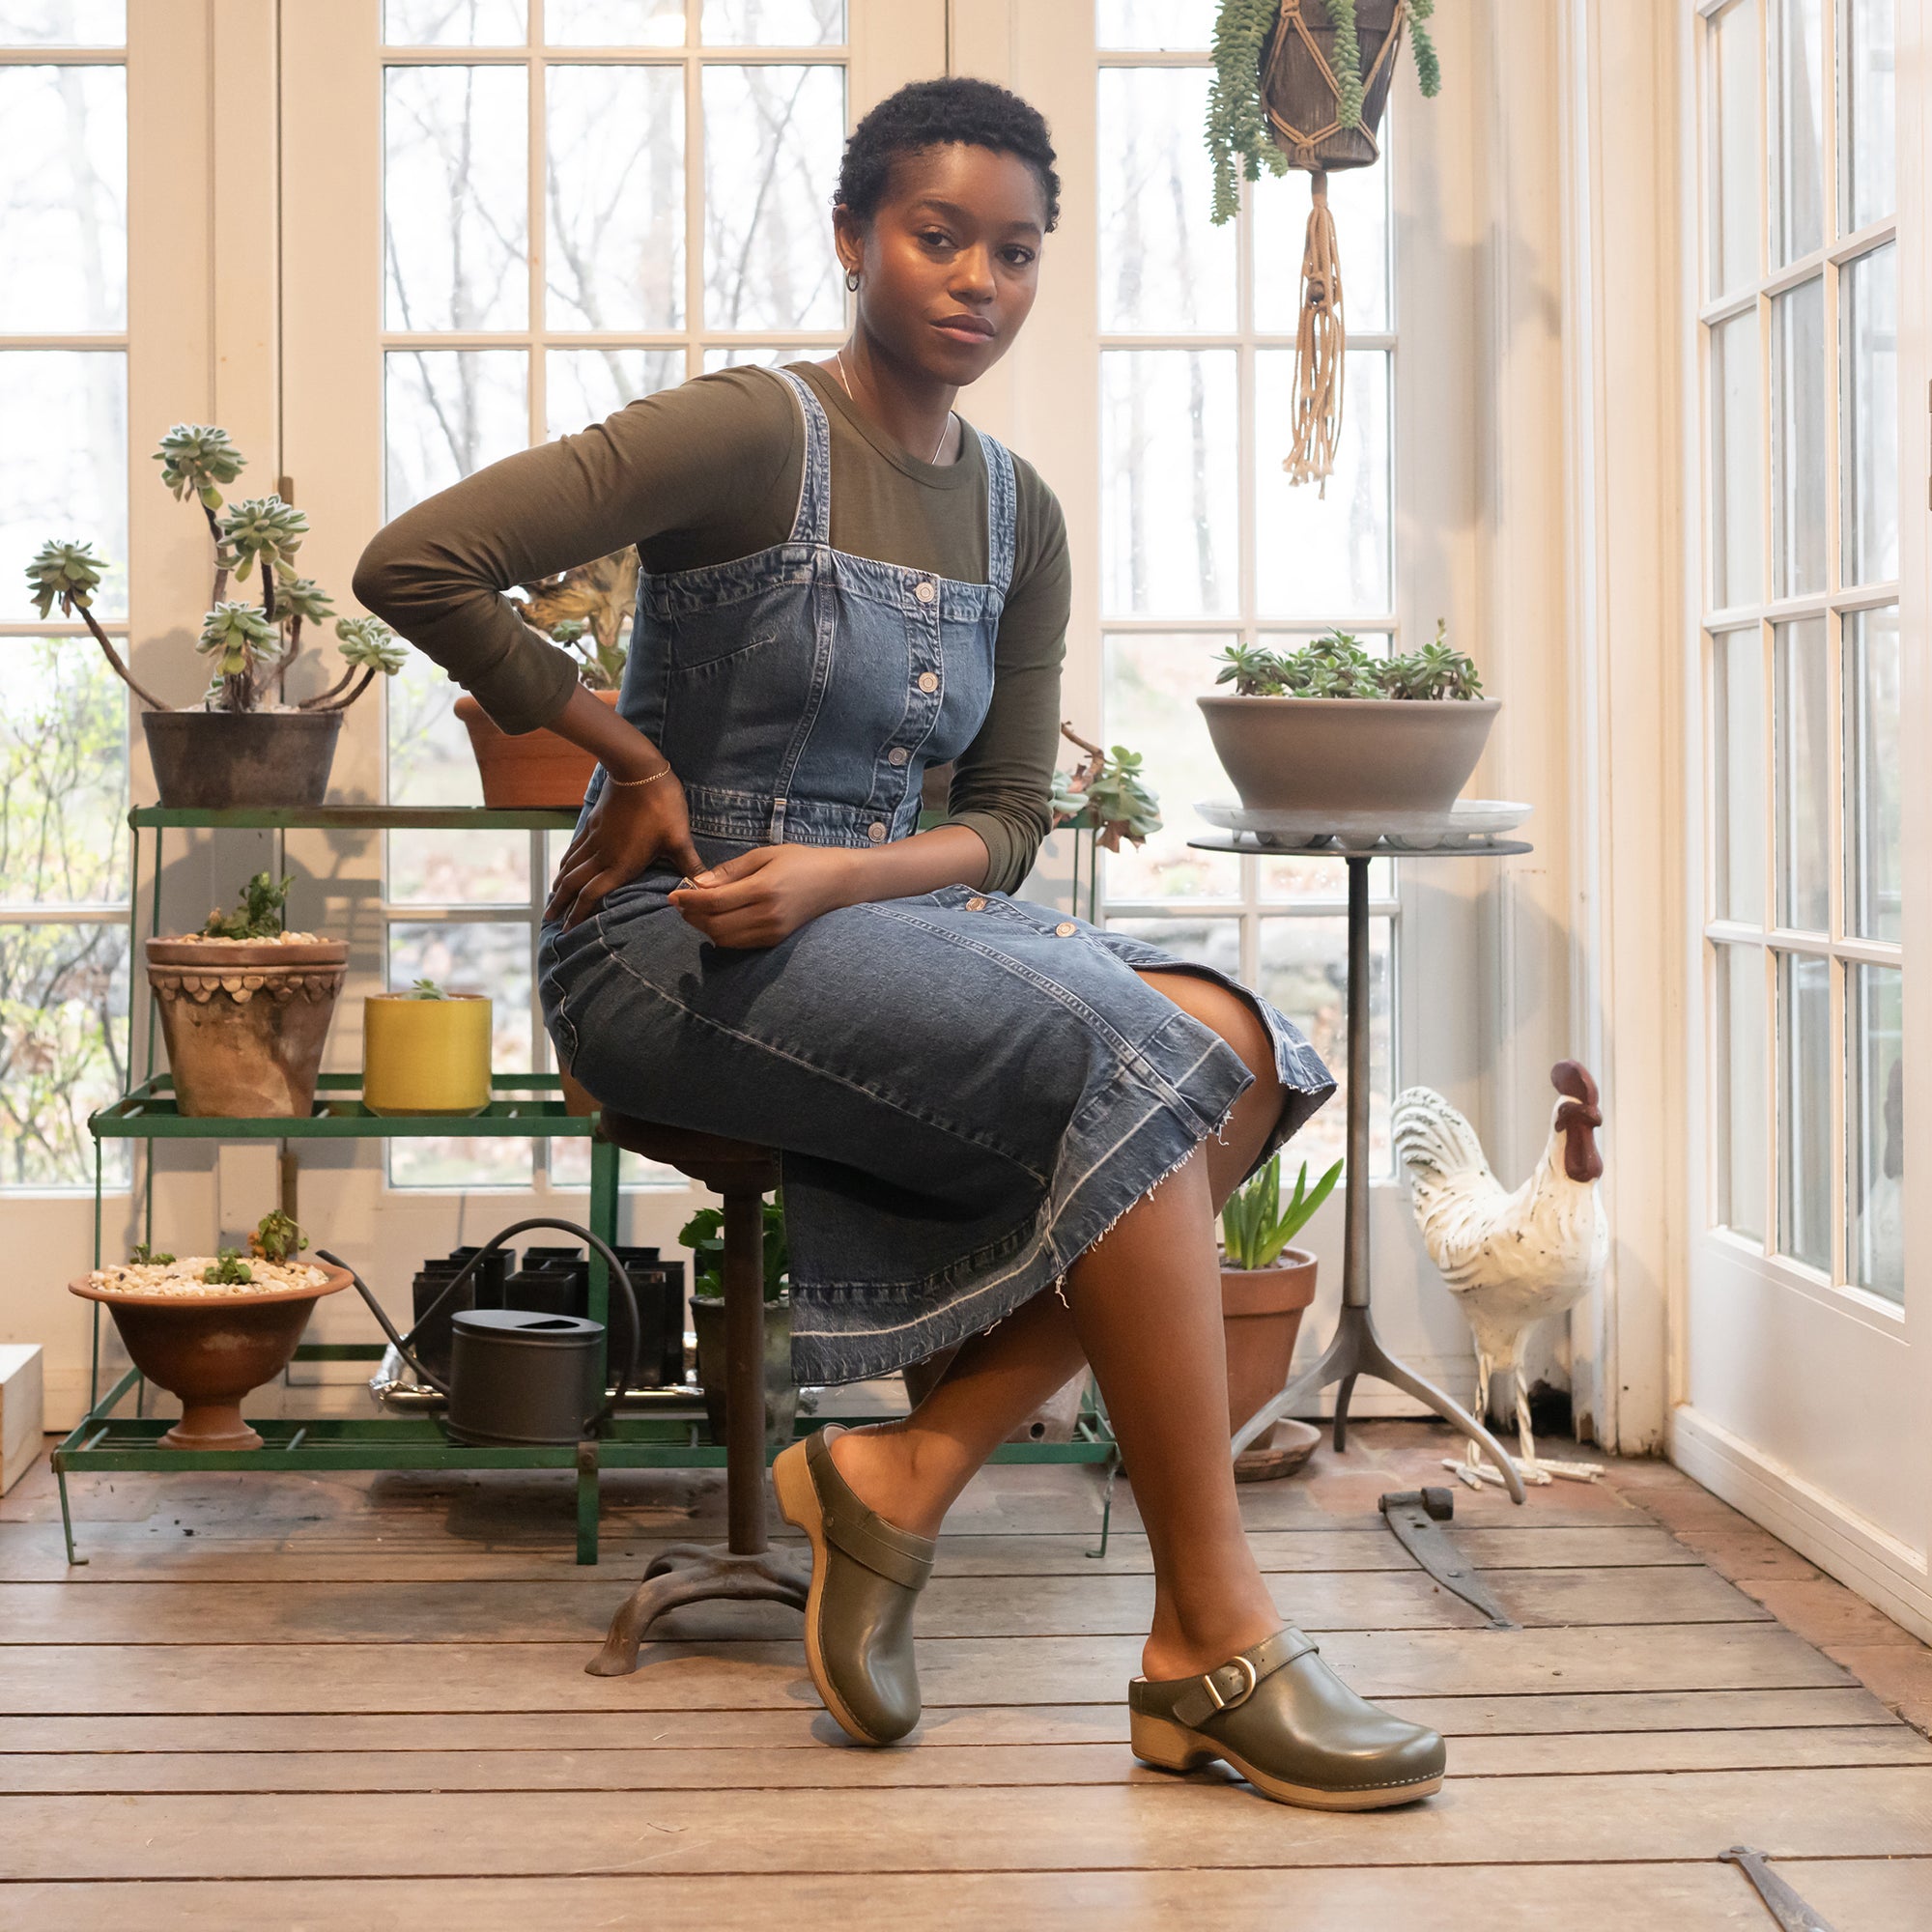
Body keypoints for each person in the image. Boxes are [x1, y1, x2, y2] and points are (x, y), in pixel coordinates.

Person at [355, 76, 1443, 1811]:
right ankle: (1210, 1645)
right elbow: (419, 562)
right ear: (855, 235)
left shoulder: (1022, 517)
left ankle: (908, 1470)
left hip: (884, 932)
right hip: (668, 944)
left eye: (1015, 253)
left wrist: (845, 883)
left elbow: (1012, 815)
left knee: (1236, 1048)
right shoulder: (746, 430)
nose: (978, 282)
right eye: (938, 237)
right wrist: (631, 761)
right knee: (1140, 1054)